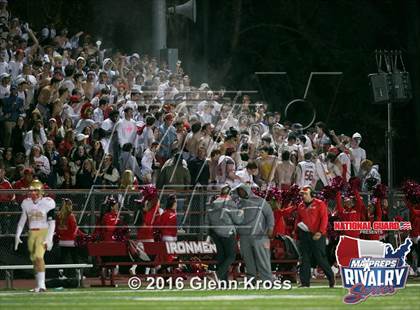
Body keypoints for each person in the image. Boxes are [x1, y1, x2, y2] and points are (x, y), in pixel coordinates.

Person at [14, 179, 56, 292]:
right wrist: (17, 235)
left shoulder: (48, 202)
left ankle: (42, 285)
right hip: (32, 232)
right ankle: (38, 285)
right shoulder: (26, 203)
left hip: (43, 231)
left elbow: (52, 222)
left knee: (38, 256)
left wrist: (49, 238)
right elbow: (22, 220)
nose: (32, 193)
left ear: (41, 191)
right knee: (34, 260)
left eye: (35, 191)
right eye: (31, 191)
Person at [234, 183, 275, 282]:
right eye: (239, 191)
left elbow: (269, 214)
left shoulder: (260, 201)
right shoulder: (238, 204)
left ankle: (268, 281)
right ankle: (251, 282)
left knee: (263, 260)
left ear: (248, 190)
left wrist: (270, 228)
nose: (241, 193)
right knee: (248, 262)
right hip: (244, 237)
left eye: (242, 190)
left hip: (260, 236)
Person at [295, 186, 334, 288]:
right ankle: (305, 283)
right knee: (305, 259)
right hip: (305, 235)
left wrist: (320, 232)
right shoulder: (300, 206)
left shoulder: (320, 204)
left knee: (320, 258)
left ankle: (331, 278)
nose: (303, 196)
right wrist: (296, 233)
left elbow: (324, 218)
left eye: (305, 194)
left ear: (311, 194)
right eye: (302, 194)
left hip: (317, 234)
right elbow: (298, 220)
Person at [205, 185, 243, 281]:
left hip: (215, 233)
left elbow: (208, 219)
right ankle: (217, 275)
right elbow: (237, 220)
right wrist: (241, 213)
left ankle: (223, 282)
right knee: (231, 256)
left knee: (221, 257)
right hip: (227, 232)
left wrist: (209, 234)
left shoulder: (213, 202)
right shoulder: (229, 202)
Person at [55, 198, 80, 278]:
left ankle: (60, 274)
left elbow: (57, 229)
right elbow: (73, 229)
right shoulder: (71, 216)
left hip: (62, 241)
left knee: (62, 258)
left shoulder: (59, 216)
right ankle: (78, 274)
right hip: (71, 241)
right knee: (75, 257)